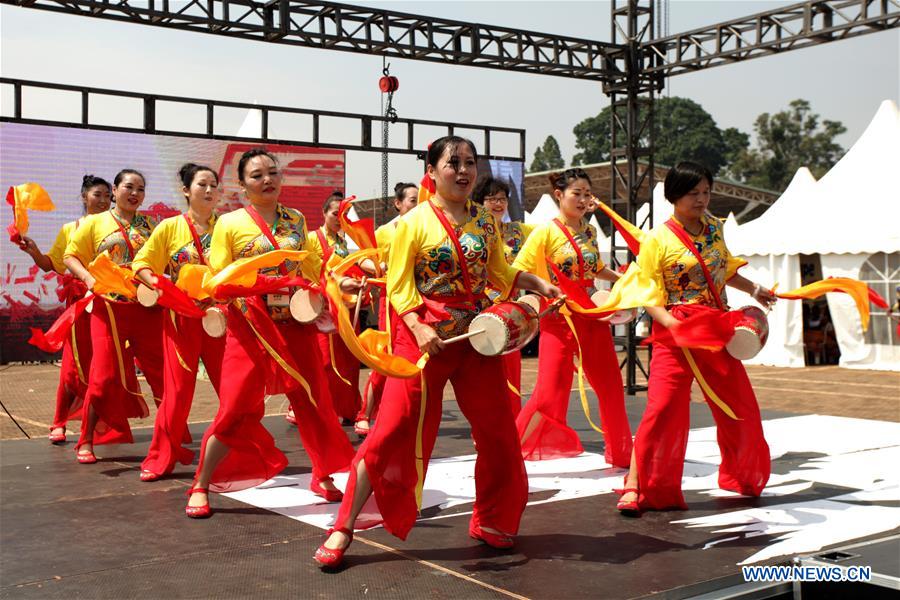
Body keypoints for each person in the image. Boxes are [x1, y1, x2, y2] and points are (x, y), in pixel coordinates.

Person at [314, 136, 560, 569]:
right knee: (390, 431)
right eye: (453, 163)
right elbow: (399, 284)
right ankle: (343, 525)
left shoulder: (486, 222)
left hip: (473, 339)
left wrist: (538, 285)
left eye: (470, 163)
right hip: (421, 338)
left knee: (499, 432)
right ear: (432, 171)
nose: (463, 171)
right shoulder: (413, 223)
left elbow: (499, 270)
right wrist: (415, 325)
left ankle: (491, 520)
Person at [184, 149, 355, 518]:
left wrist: (321, 293)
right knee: (234, 408)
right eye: (257, 175)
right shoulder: (229, 223)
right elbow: (218, 276)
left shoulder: (294, 219)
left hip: (295, 326)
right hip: (250, 328)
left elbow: (310, 265)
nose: (268, 180)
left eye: (273, 173)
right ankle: (201, 482)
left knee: (313, 401)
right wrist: (257, 284)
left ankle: (322, 473)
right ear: (243, 184)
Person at [617, 161, 776, 515]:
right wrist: (671, 325)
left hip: (715, 331)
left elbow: (722, 269)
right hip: (674, 331)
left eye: (706, 192)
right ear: (674, 196)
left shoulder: (715, 229)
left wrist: (756, 289)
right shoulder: (658, 238)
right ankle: (636, 486)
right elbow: (647, 291)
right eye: (694, 193)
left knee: (740, 408)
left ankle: (743, 476)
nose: (703, 199)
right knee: (661, 411)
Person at [512, 168, 633, 468]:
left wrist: (620, 278)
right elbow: (518, 271)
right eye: (576, 193)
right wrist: (540, 296)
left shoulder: (590, 232)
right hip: (558, 318)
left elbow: (594, 270)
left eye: (586, 194)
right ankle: (509, 452)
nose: (582, 200)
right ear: (559, 195)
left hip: (591, 316)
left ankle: (621, 453)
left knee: (609, 385)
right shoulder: (545, 232)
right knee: (549, 392)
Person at [63, 169, 165, 464]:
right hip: (108, 308)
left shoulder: (151, 225)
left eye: (141, 189)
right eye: (129, 187)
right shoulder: (95, 223)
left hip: (146, 309)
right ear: (115, 191)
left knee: (160, 374)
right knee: (103, 376)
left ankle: (171, 433)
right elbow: (71, 256)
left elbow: (160, 260)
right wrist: (89, 279)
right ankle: (86, 440)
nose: (135, 194)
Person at [132, 163, 225, 482]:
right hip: (181, 319)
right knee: (177, 393)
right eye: (203, 184)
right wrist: (160, 286)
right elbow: (142, 263)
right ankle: (162, 456)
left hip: (220, 319)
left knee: (232, 390)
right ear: (186, 190)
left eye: (215, 184)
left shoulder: (227, 226)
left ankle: (238, 452)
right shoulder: (170, 227)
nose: (210, 190)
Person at [17, 175, 111, 444]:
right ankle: (58, 422)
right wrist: (34, 252)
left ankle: (98, 424)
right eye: (97, 194)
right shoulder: (71, 228)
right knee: (72, 366)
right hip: (81, 306)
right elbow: (52, 264)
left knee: (105, 368)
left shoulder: (118, 227)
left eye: (107, 195)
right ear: (84, 197)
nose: (103, 200)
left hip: (112, 305)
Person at [355, 182, 418, 436]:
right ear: (398, 203)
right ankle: (365, 413)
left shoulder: (427, 226)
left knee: (412, 359)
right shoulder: (384, 232)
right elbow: (362, 258)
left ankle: (398, 416)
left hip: (419, 302)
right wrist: (383, 269)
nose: (418, 204)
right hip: (392, 302)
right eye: (413, 200)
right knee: (388, 356)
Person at [472, 175, 533, 416]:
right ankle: (484, 428)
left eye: (502, 199)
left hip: (511, 313)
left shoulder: (517, 231)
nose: (498, 204)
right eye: (492, 199)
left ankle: (513, 426)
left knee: (511, 371)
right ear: (480, 203)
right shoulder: (473, 234)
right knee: (483, 375)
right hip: (481, 311)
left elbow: (549, 233)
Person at [303, 191, 362, 425]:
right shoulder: (312, 239)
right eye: (335, 213)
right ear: (324, 213)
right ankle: (325, 410)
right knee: (326, 362)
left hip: (345, 309)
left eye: (345, 214)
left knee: (349, 360)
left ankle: (348, 408)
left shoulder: (343, 243)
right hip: (323, 309)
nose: (340, 218)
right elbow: (309, 273)